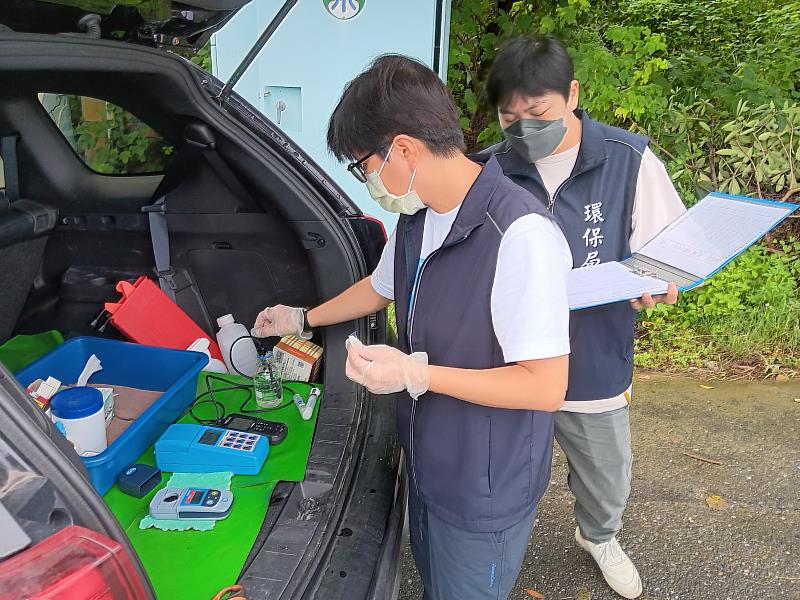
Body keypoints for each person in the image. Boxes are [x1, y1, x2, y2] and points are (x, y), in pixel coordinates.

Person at [253, 54, 574, 599]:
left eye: (364, 166)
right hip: (426, 463)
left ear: (403, 148)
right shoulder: (418, 216)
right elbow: (380, 287)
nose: (368, 182)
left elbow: (544, 387)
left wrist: (416, 374)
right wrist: (301, 317)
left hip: (482, 489)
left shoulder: (521, 235)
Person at [474, 34, 687, 599]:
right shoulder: (488, 171)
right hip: (510, 362)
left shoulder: (628, 160)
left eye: (537, 113)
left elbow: (671, 253)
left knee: (606, 474)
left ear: (571, 94)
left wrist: (660, 282)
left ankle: (599, 535)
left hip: (593, 358)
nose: (523, 129)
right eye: (508, 117)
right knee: (499, 469)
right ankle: (490, 552)